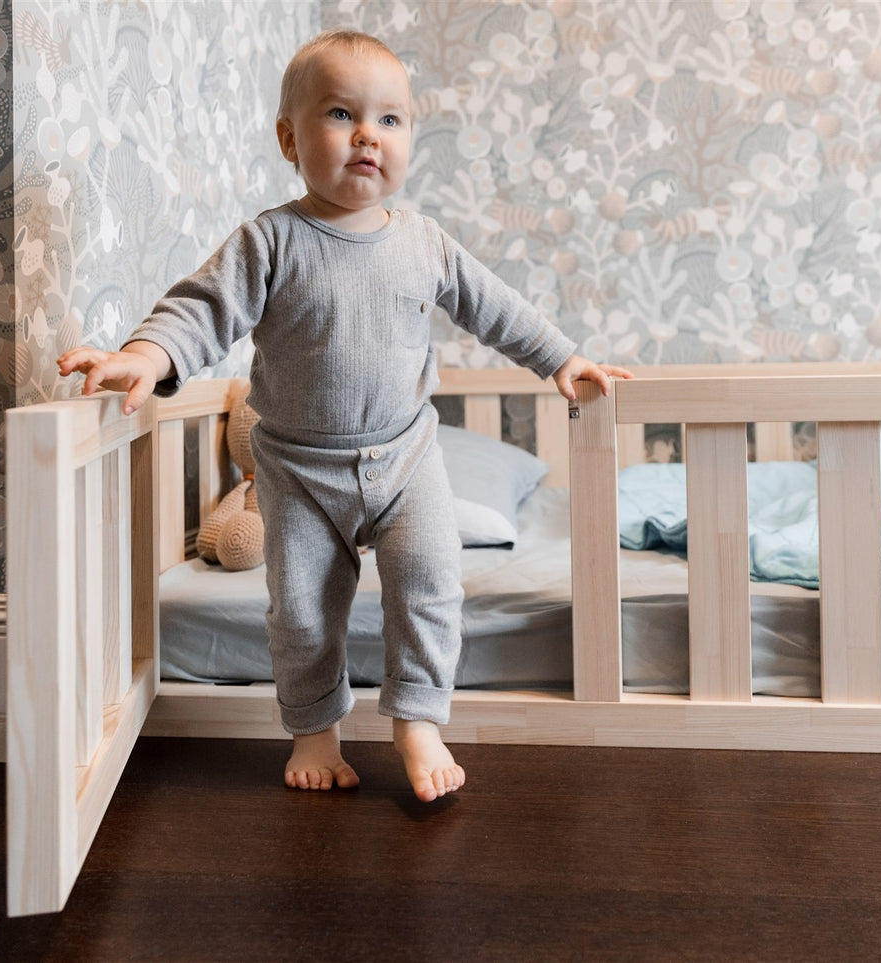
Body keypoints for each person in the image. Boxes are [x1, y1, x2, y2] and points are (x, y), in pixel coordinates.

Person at [58, 29, 631, 802]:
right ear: (289, 138)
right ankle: (314, 731)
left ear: (407, 140)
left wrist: (561, 358)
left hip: (404, 459)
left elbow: (499, 308)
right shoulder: (270, 240)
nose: (368, 134)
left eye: (389, 120)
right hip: (296, 469)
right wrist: (147, 356)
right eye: (340, 114)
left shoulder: (423, 242)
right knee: (299, 611)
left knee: (429, 583)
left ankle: (419, 717)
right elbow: (199, 312)